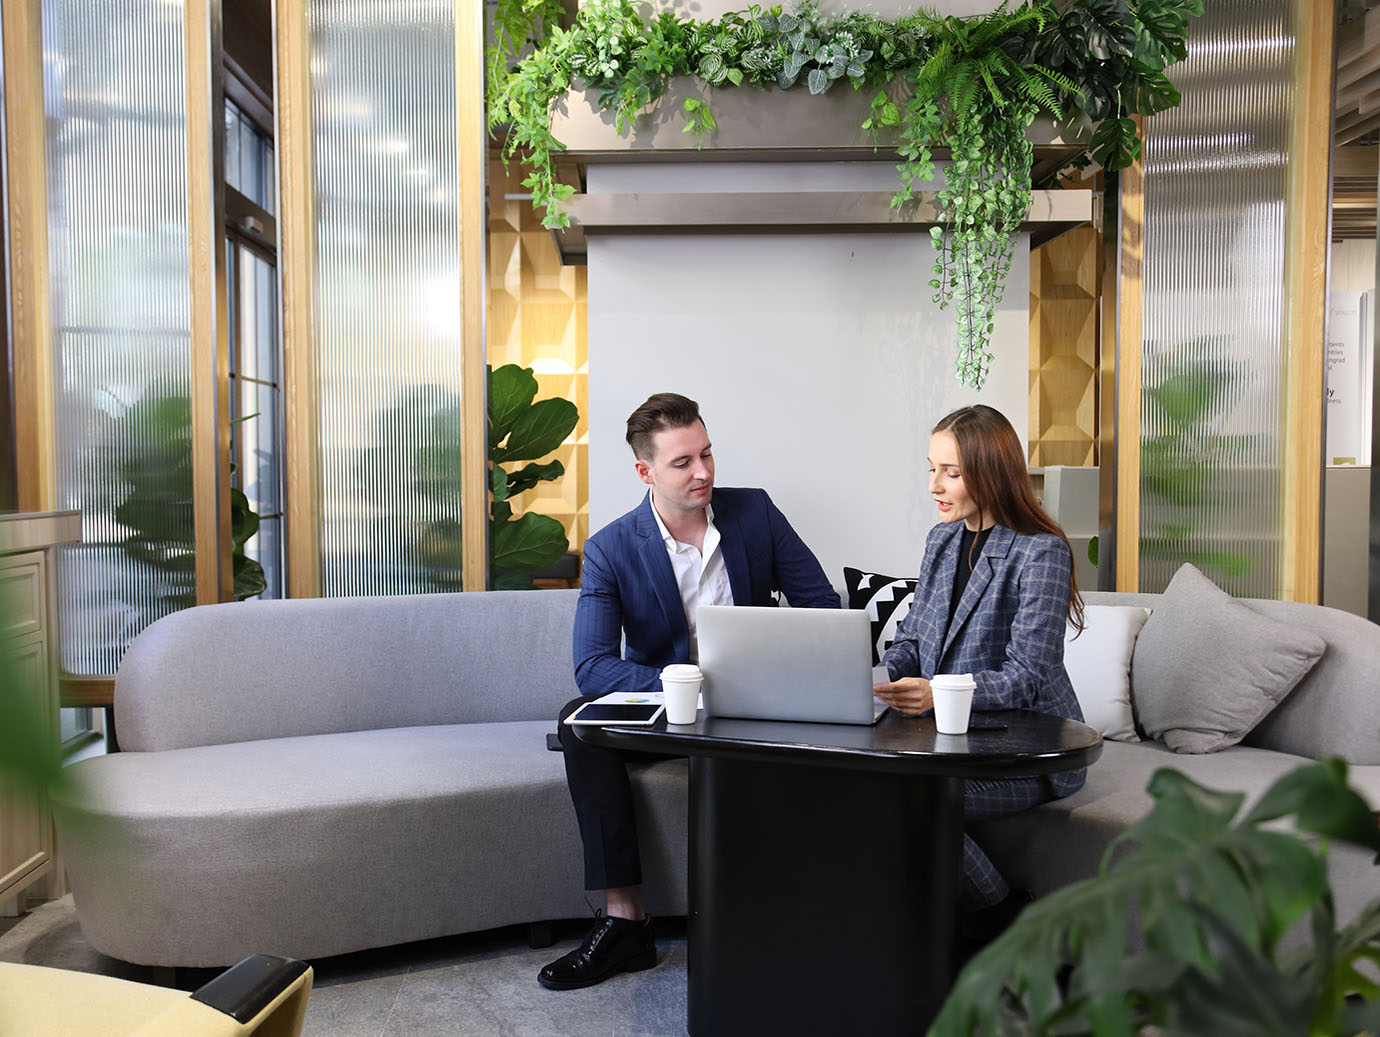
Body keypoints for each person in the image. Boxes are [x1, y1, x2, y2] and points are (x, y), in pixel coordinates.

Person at [538, 392, 840, 991]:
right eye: (682, 462)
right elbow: (593, 666)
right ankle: (625, 923)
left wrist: (775, 668)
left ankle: (795, 915)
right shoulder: (612, 548)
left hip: (756, 707)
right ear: (645, 471)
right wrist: (687, 685)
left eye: (706, 454)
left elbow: (823, 608)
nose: (702, 472)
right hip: (672, 710)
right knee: (579, 722)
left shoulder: (755, 514)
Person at [872, 403, 1086, 954]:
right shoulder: (941, 541)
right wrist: (876, 677)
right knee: (857, 785)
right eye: (931, 469)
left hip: (1022, 750)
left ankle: (1007, 921)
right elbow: (915, 641)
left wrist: (937, 692)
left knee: (908, 800)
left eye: (951, 472)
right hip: (949, 741)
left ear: (990, 472)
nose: (933, 486)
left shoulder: (1041, 551)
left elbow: (1027, 677)